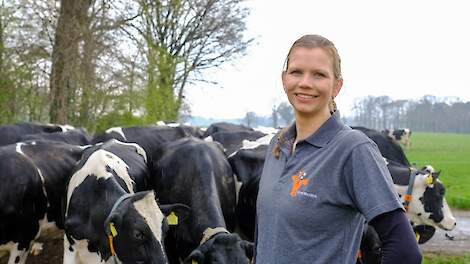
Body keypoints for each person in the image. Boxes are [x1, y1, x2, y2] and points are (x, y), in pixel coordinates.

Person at [254, 34, 421, 263]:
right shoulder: (278, 144)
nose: (305, 82)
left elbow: (405, 252)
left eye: (319, 75)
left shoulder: (353, 149)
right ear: (284, 79)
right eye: (296, 72)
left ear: (337, 85)